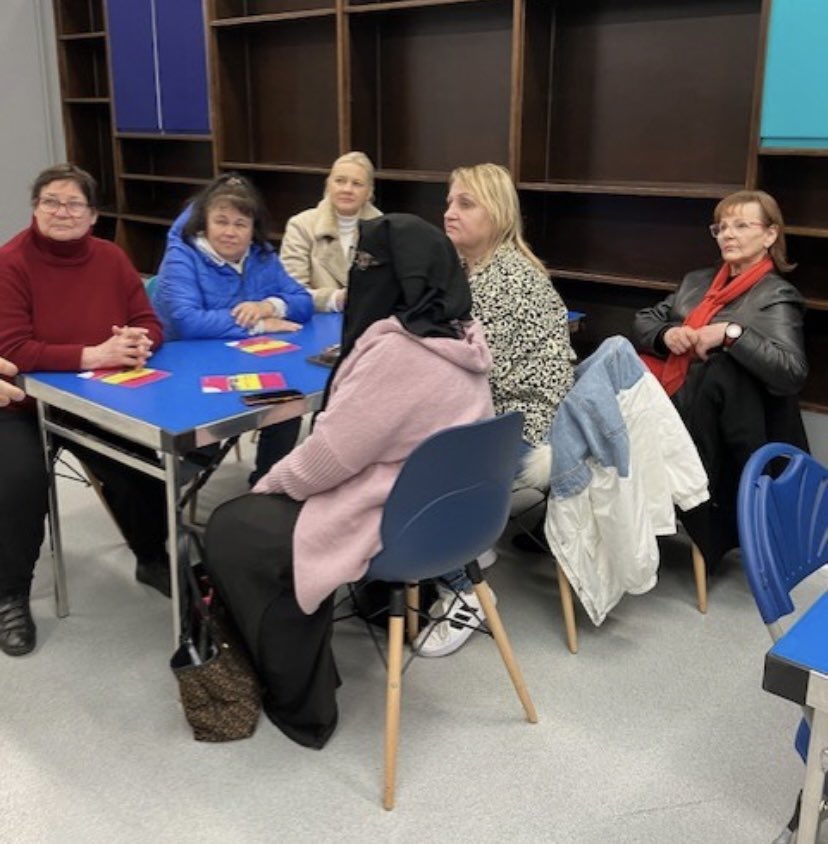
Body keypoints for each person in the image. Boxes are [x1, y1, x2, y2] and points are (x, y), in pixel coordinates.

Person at [203, 213, 494, 748]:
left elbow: (327, 460)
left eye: (368, 263)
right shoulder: (462, 337)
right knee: (259, 517)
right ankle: (370, 617)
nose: (360, 274)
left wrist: (267, 484)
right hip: (442, 521)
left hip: (387, 519)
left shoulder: (398, 352)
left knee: (232, 526)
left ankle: (302, 701)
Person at [0, 163, 169, 657]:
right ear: (34, 207)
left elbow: (147, 321)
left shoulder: (112, 258)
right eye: (51, 201)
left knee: (142, 463)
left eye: (75, 203)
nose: (62, 212)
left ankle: (152, 555)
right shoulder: (11, 262)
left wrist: (139, 342)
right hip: (22, 405)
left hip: (98, 400)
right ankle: (10, 593)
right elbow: (13, 348)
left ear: (93, 215)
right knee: (17, 483)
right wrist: (92, 355)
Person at [411, 162, 576, 658]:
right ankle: (466, 539)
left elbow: (468, 376)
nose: (449, 212)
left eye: (465, 203)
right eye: (449, 201)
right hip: (497, 408)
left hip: (518, 422)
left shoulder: (505, 279)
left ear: (498, 214)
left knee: (409, 469)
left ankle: (462, 590)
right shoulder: (471, 268)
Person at [633, 189, 808, 571]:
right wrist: (668, 336)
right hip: (675, 402)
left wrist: (731, 334)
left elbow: (791, 372)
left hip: (708, 421)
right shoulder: (697, 282)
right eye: (721, 226)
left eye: (741, 225)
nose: (727, 234)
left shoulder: (776, 295)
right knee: (607, 373)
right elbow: (647, 319)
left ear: (769, 235)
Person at [154, 173, 314, 484]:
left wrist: (269, 305)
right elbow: (187, 320)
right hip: (186, 371)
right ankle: (167, 495)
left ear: (253, 229)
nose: (230, 232)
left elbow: (303, 301)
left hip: (242, 364)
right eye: (221, 221)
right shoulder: (182, 255)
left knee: (287, 404)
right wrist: (260, 325)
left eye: (241, 224)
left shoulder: (262, 255)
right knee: (211, 428)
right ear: (204, 223)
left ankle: (266, 487)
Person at [279, 151, 382, 312]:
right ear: (328, 185)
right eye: (340, 181)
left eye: (357, 184)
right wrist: (334, 299)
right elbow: (290, 292)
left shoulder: (384, 229)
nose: (347, 189)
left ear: (369, 192)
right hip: (317, 320)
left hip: (370, 320)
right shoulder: (301, 226)